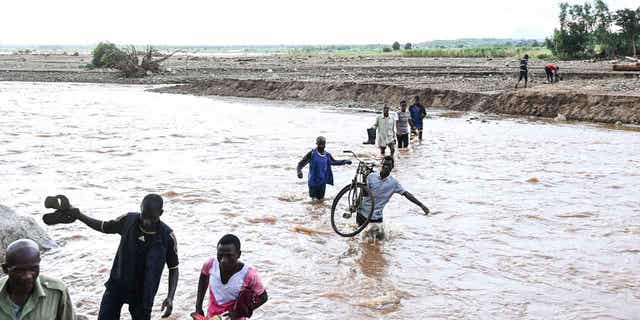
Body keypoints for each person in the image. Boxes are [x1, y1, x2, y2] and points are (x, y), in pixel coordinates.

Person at [63, 194, 178, 320]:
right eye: (144, 216)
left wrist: (170, 297)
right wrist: (79, 215)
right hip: (117, 286)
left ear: (161, 213)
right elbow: (104, 226)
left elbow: (174, 268)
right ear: (140, 208)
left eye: (151, 218)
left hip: (144, 294)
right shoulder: (128, 220)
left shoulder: (167, 237)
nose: (146, 222)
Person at [194, 234, 268, 320]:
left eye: (229, 256)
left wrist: (238, 313)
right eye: (220, 255)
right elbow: (203, 280)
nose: (223, 260)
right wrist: (198, 308)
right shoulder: (210, 264)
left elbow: (263, 297)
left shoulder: (249, 274)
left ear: (238, 254)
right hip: (212, 317)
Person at [0, 239, 75, 320]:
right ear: (5, 269)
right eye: (20, 270)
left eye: (33, 268)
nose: (28, 276)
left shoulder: (57, 292)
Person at [357, 156, 429, 228]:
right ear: (381, 165)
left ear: (392, 167)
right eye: (384, 164)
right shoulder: (371, 176)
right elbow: (364, 194)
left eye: (388, 165)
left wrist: (421, 205)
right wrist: (364, 180)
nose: (385, 167)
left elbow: (406, 194)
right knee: (358, 237)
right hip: (363, 214)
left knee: (379, 238)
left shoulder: (393, 183)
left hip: (377, 217)